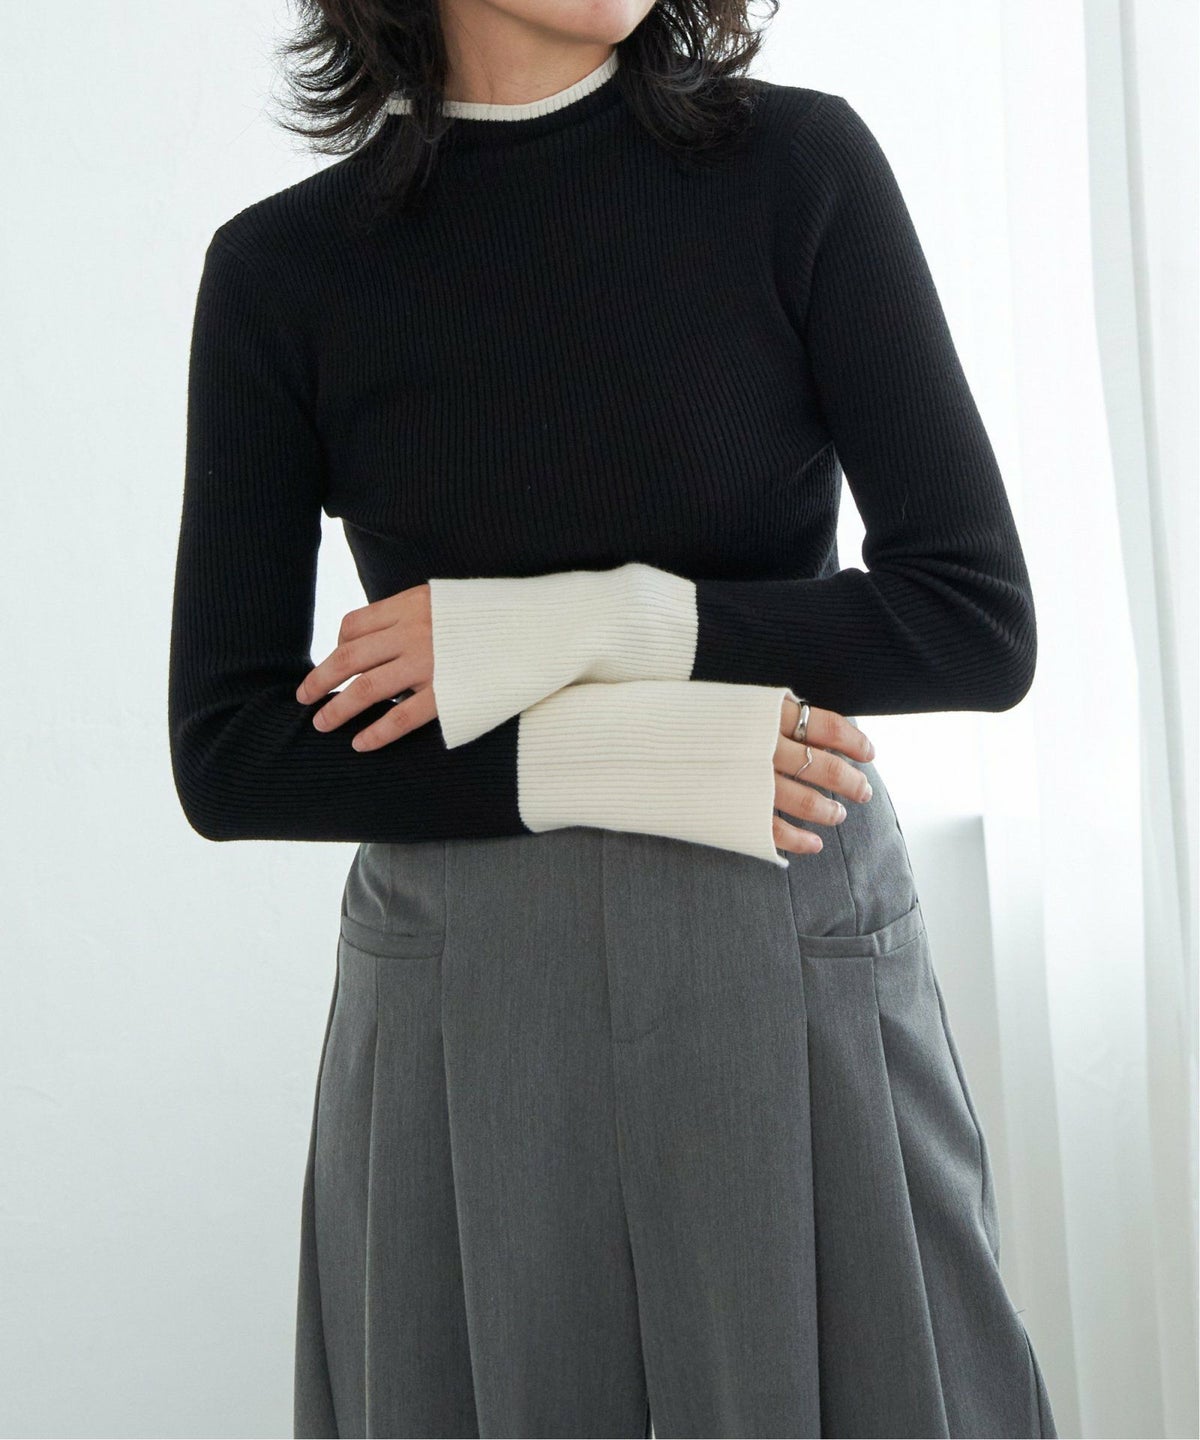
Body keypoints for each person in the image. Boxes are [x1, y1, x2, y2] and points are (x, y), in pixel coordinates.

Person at [167, 2, 1059, 1436]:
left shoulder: (797, 170)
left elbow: (975, 618)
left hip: (777, 927)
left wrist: (604, 626)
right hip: (468, 989)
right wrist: (617, 752)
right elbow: (229, 753)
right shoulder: (286, 269)